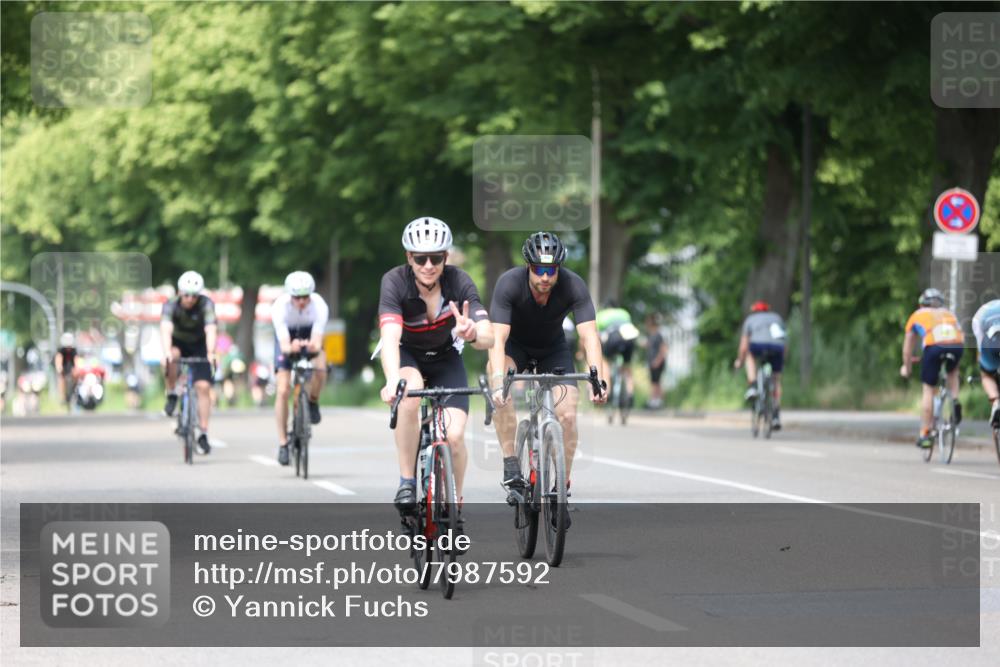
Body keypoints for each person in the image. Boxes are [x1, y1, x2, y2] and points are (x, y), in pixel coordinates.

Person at [377, 217, 494, 518]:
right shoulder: (394, 282)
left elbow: (489, 335)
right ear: (409, 258)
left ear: (446, 257)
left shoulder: (460, 282)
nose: (428, 265)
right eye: (420, 258)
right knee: (410, 394)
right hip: (408, 355)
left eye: (436, 257)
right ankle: (407, 480)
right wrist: (392, 380)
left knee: (454, 437)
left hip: (445, 357)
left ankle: (454, 504)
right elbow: (390, 337)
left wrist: (473, 333)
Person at [488, 231, 607, 528]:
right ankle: (511, 464)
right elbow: (497, 340)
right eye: (539, 269)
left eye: (551, 270)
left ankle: (560, 488)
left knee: (567, 414)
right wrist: (498, 379)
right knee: (498, 390)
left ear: (558, 269)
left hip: (553, 350)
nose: (544, 276)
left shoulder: (573, 285)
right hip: (515, 347)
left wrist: (598, 378)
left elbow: (590, 336)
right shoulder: (509, 284)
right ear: (528, 266)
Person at [271, 271, 329, 466]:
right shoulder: (280, 307)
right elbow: (284, 344)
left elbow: (317, 340)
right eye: (297, 297)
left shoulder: (319, 305)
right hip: (286, 338)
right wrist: (291, 347)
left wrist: (312, 346)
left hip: (309, 334)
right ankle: (282, 442)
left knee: (320, 367)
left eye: (305, 297)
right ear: (290, 296)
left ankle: (312, 401)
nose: (302, 301)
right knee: (283, 389)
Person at [900, 287, 964, 448]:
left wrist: (906, 368)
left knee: (928, 389)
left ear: (922, 304)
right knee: (953, 373)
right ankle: (955, 401)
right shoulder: (949, 313)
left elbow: (908, 348)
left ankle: (925, 434)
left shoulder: (917, 315)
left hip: (933, 346)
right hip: (957, 345)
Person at [161, 270, 217, 454]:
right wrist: (167, 351)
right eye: (186, 295)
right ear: (179, 292)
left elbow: (211, 329)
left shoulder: (206, 304)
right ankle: (171, 393)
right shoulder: (170, 305)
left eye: (194, 295)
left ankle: (203, 432)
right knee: (171, 357)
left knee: (203, 387)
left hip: (200, 345)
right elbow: (165, 329)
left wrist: (210, 352)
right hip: (178, 343)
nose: (190, 299)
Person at [734, 300, 787, 430]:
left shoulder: (750, 319)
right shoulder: (777, 318)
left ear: (755, 310)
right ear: (767, 310)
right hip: (777, 348)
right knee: (776, 379)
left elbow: (744, 346)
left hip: (758, 346)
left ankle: (752, 385)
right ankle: (775, 414)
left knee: (749, 356)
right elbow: (784, 340)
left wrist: (740, 361)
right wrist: (783, 358)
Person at [596, 301, 639, 408]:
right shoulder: (624, 313)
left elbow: (596, 335)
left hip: (613, 337)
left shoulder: (601, 315)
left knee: (605, 362)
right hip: (629, 337)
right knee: (627, 366)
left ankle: (608, 391)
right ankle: (630, 393)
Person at [972, 298, 1000, 429]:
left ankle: (996, 401)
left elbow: (980, 343)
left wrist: (981, 360)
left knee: (986, 375)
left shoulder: (981, 313)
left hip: (992, 343)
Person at [645, 314, 668, 409]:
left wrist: (658, 361)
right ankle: (655, 400)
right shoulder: (652, 335)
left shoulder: (658, 335)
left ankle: (657, 401)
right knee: (654, 381)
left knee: (656, 382)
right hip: (652, 362)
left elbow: (664, 349)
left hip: (657, 362)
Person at [54, 332, 79, 407]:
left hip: (71, 366)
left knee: (76, 374)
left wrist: (76, 369)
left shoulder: (73, 350)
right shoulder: (61, 350)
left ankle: (74, 389)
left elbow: (76, 360)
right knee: (61, 378)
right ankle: (63, 397)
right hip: (63, 366)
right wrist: (59, 368)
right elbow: (59, 359)